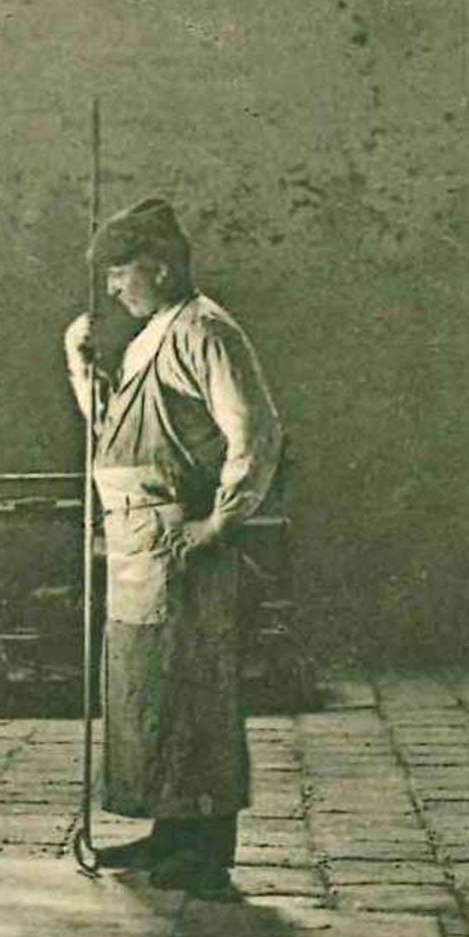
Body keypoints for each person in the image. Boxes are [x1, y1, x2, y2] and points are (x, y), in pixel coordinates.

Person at [64, 196, 283, 898]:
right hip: (138, 546)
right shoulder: (151, 332)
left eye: (120, 270)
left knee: (193, 691)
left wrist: (219, 522)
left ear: (158, 267)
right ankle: (168, 826)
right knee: (148, 687)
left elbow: (255, 432)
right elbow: (118, 430)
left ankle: (205, 846)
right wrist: (83, 368)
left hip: (180, 543)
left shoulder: (205, 331)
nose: (111, 287)